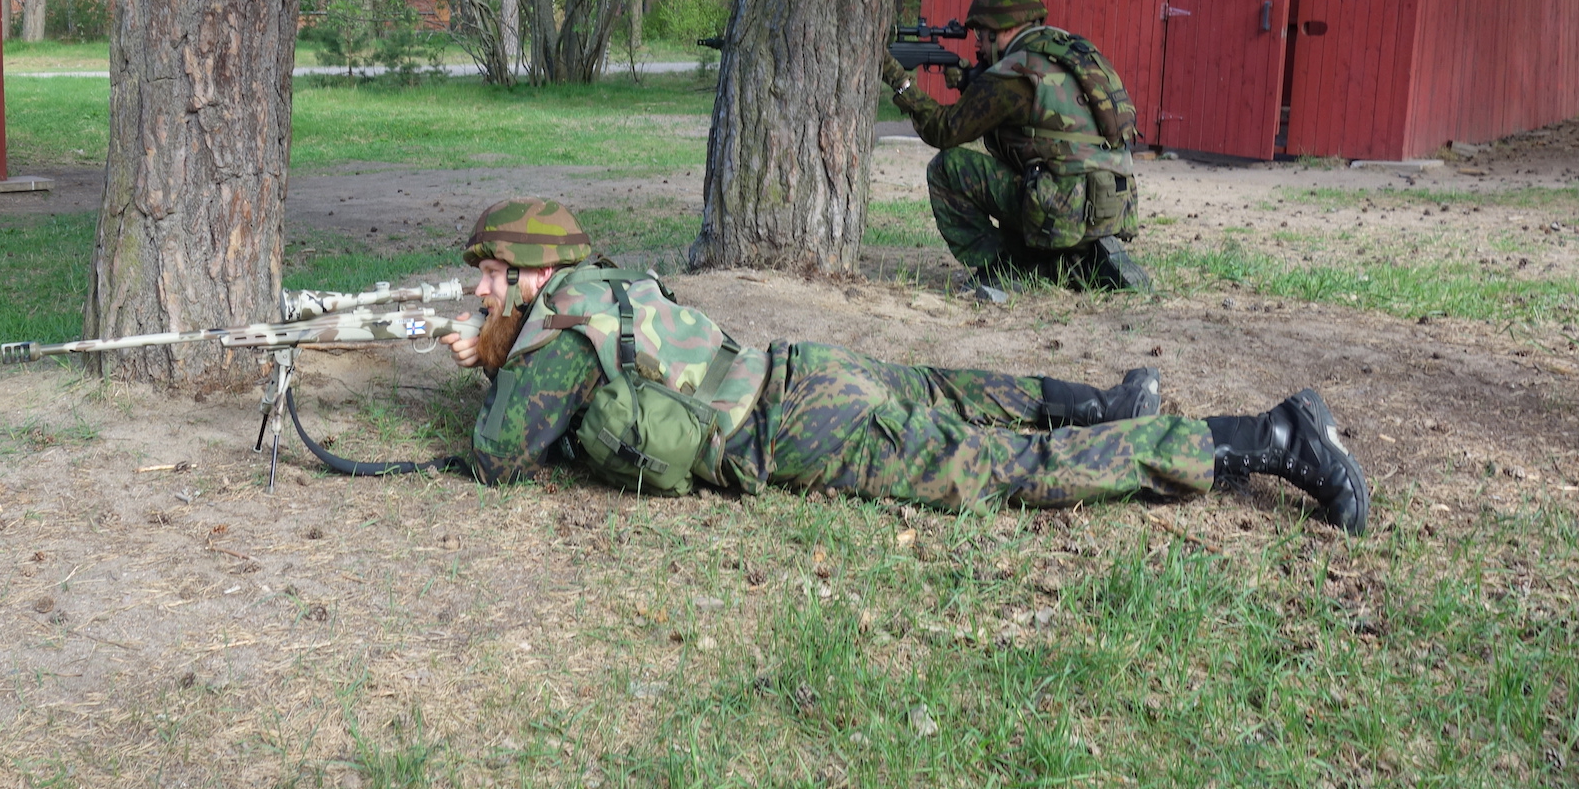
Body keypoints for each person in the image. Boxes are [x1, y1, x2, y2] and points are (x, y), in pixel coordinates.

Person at [438, 200, 1369, 533]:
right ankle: (1103, 402)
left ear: (535, 271)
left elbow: (496, 457)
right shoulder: (602, 282)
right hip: (792, 369)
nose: (483, 289)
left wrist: (488, 358)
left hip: (792, 426)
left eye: (492, 274)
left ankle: (1268, 438)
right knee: (941, 388)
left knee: (999, 470)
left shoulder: (554, 336)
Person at [880, 0, 1151, 292]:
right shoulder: (1072, 52)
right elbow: (1046, 121)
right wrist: (972, 84)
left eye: (981, 35)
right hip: (1111, 205)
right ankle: (1079, 258)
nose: (978, 46)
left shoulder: (1012, 72)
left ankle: (1004, 266)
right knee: (1030, 170)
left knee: (948, 167)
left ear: (1002, 30)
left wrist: (900, 82)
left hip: (1062, 208)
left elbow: (944, 130)